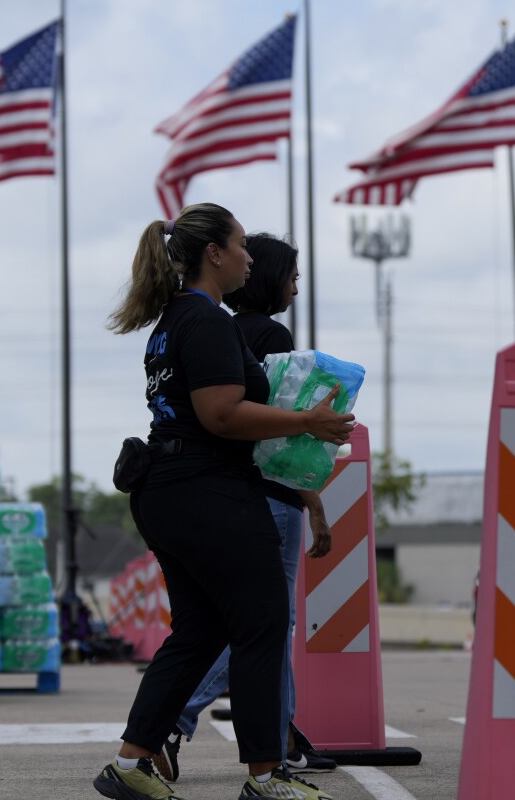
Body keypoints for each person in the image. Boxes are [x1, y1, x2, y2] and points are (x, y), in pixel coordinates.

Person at [96, 204, 350, 800]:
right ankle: (267, 777)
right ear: (214, 252)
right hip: (207, 491)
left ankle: (132, 763)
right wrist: (307, 421)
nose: (250, 258)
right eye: (242, 245)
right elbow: (220, 415)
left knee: (200, 631)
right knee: (262, 622)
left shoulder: (174, 320)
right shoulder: (206, 322)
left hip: (171, 491)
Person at [152, 233, 338, 782]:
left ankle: (281, 737)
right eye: (293, 277)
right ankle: (175, 719)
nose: (296, 288)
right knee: (265, 624)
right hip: (270, 495)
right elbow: (275, 430)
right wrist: (314, 501)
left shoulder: (219, 328)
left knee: (252, 623)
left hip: (216, 489)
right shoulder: (270, 335)